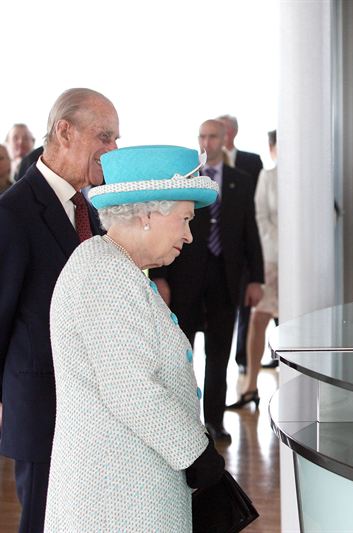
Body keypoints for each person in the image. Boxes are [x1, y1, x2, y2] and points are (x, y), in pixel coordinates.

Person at [45, 145, 225, 531]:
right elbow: (131, 389)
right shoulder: (105, 273)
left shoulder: (116, 266)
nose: (189, 235)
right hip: (117, 497)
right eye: (184, 220)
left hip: (127, 488)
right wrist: (196, 453)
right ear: (147, 214)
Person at [0, 88, 117, 532]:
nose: (113, 149)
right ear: (64, 132)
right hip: (40, 411)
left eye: (116, 139)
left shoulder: (90, 208)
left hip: (91, 409)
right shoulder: (13, 213)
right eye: (104, 136)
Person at [150, 119, 263, 443]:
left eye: (213, 136)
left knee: (219, 353)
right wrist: (159, 277)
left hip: (225, 280)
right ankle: (185, 422)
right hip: (185, 280)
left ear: (224, 139)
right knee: (180, 353)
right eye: (202, 136)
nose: (207, 142)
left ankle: (214, 421)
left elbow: (249, 230)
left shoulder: (240, 181)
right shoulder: (184, 180)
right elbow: (165, 228)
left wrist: (255, 279)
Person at [229, 130, 279, 410]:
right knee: (258, 319)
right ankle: (250, 386)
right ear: (272, 148)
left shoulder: (311, 177)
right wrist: (282, 245)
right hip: (272, 259)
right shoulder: (267, 177)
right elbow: (259, 217)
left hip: (303, 264)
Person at [217, 114, 264, 374]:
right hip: (214, 252)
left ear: (232, 133)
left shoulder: (251, 162)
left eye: (222, 130)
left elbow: (254, 211)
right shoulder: (199, 167)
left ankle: (243, 358)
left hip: (240, 248)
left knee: (245, 308)